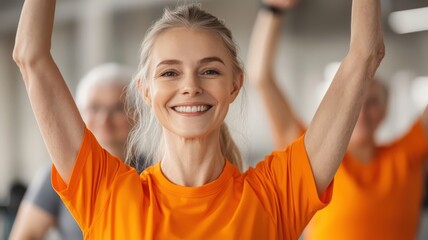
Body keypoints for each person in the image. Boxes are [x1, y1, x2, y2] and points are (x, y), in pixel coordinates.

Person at [12, 0, 384, 238]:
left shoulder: (276, 195)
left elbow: (365, 54)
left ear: (235, 84)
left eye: (209, 71)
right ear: (144, 90)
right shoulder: (106, 194)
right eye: (170, 73)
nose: (190, 87)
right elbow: (31, 56)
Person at [246, 0, 428, 239]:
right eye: (355, 102)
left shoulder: (407, 155)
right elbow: (260, 76)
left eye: (372, 102)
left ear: (385, 110)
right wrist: (272, 9)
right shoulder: (316, 156)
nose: (361, 111)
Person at [9, 63, 141, 240]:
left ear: (137, 114)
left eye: (117, 109)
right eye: (94, 108)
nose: (104, 120)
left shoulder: (156, 169)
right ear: (79, 116)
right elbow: (25, 236)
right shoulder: (57, 174)